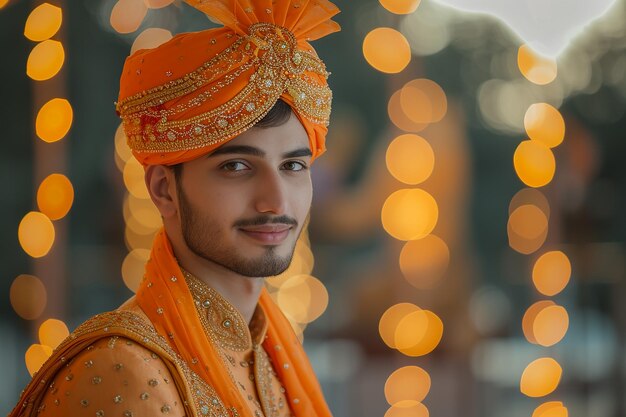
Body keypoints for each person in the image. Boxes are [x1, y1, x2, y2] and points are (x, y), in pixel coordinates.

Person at [9, 1, 340, 416]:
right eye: (236, 166)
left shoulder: (270, 355)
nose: (276, 200)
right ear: (164, 189)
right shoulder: (123, 372)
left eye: (293, 165)